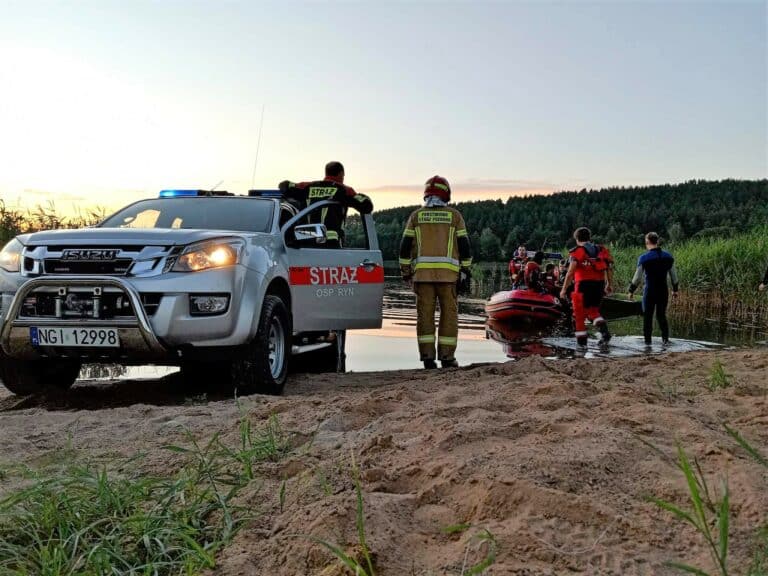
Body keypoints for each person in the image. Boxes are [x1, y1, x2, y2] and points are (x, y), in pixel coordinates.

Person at [399, 176, 472, 369]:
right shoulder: (455, 216)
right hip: (449, 277)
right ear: (446, 194)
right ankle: (447, 357)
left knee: (424, 316)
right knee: (449, 315)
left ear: (426, 194)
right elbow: (465, 246)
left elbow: (404, 247)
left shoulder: (416, 216)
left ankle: (427, 357)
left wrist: (406, 272)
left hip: (422, 277)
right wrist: (465, 270)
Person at [279, 161, 373, 248]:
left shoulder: (307, 187)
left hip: (305, 242)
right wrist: (363, 196)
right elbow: (366, 206)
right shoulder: (344, 190)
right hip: (330, 243)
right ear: (341, 174)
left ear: (326, 173)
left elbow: (284, 185)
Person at [559, 227, 614, 348]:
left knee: (578, 315)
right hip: (599, 285)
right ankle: (605, 333)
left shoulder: (577, 251)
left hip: (583, 285)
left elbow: (570, 272)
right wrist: (609, 284)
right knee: (593, 311)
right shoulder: (601, 250)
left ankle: (581, 344)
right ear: (589, 238)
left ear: (576, 238)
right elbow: (609, 268)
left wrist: (563, 289)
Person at [627, 232, 679, 347]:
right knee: (661, 316)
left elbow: (637, 278)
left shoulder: (644, 258)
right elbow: (674, 276)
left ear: (647, 242)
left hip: (650, 291)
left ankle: (647, 344)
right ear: (657, 241)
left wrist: (631, 290)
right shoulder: (668, 257)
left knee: (648, 317)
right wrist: (675, 290)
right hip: (663, 291)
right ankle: (665, 341)